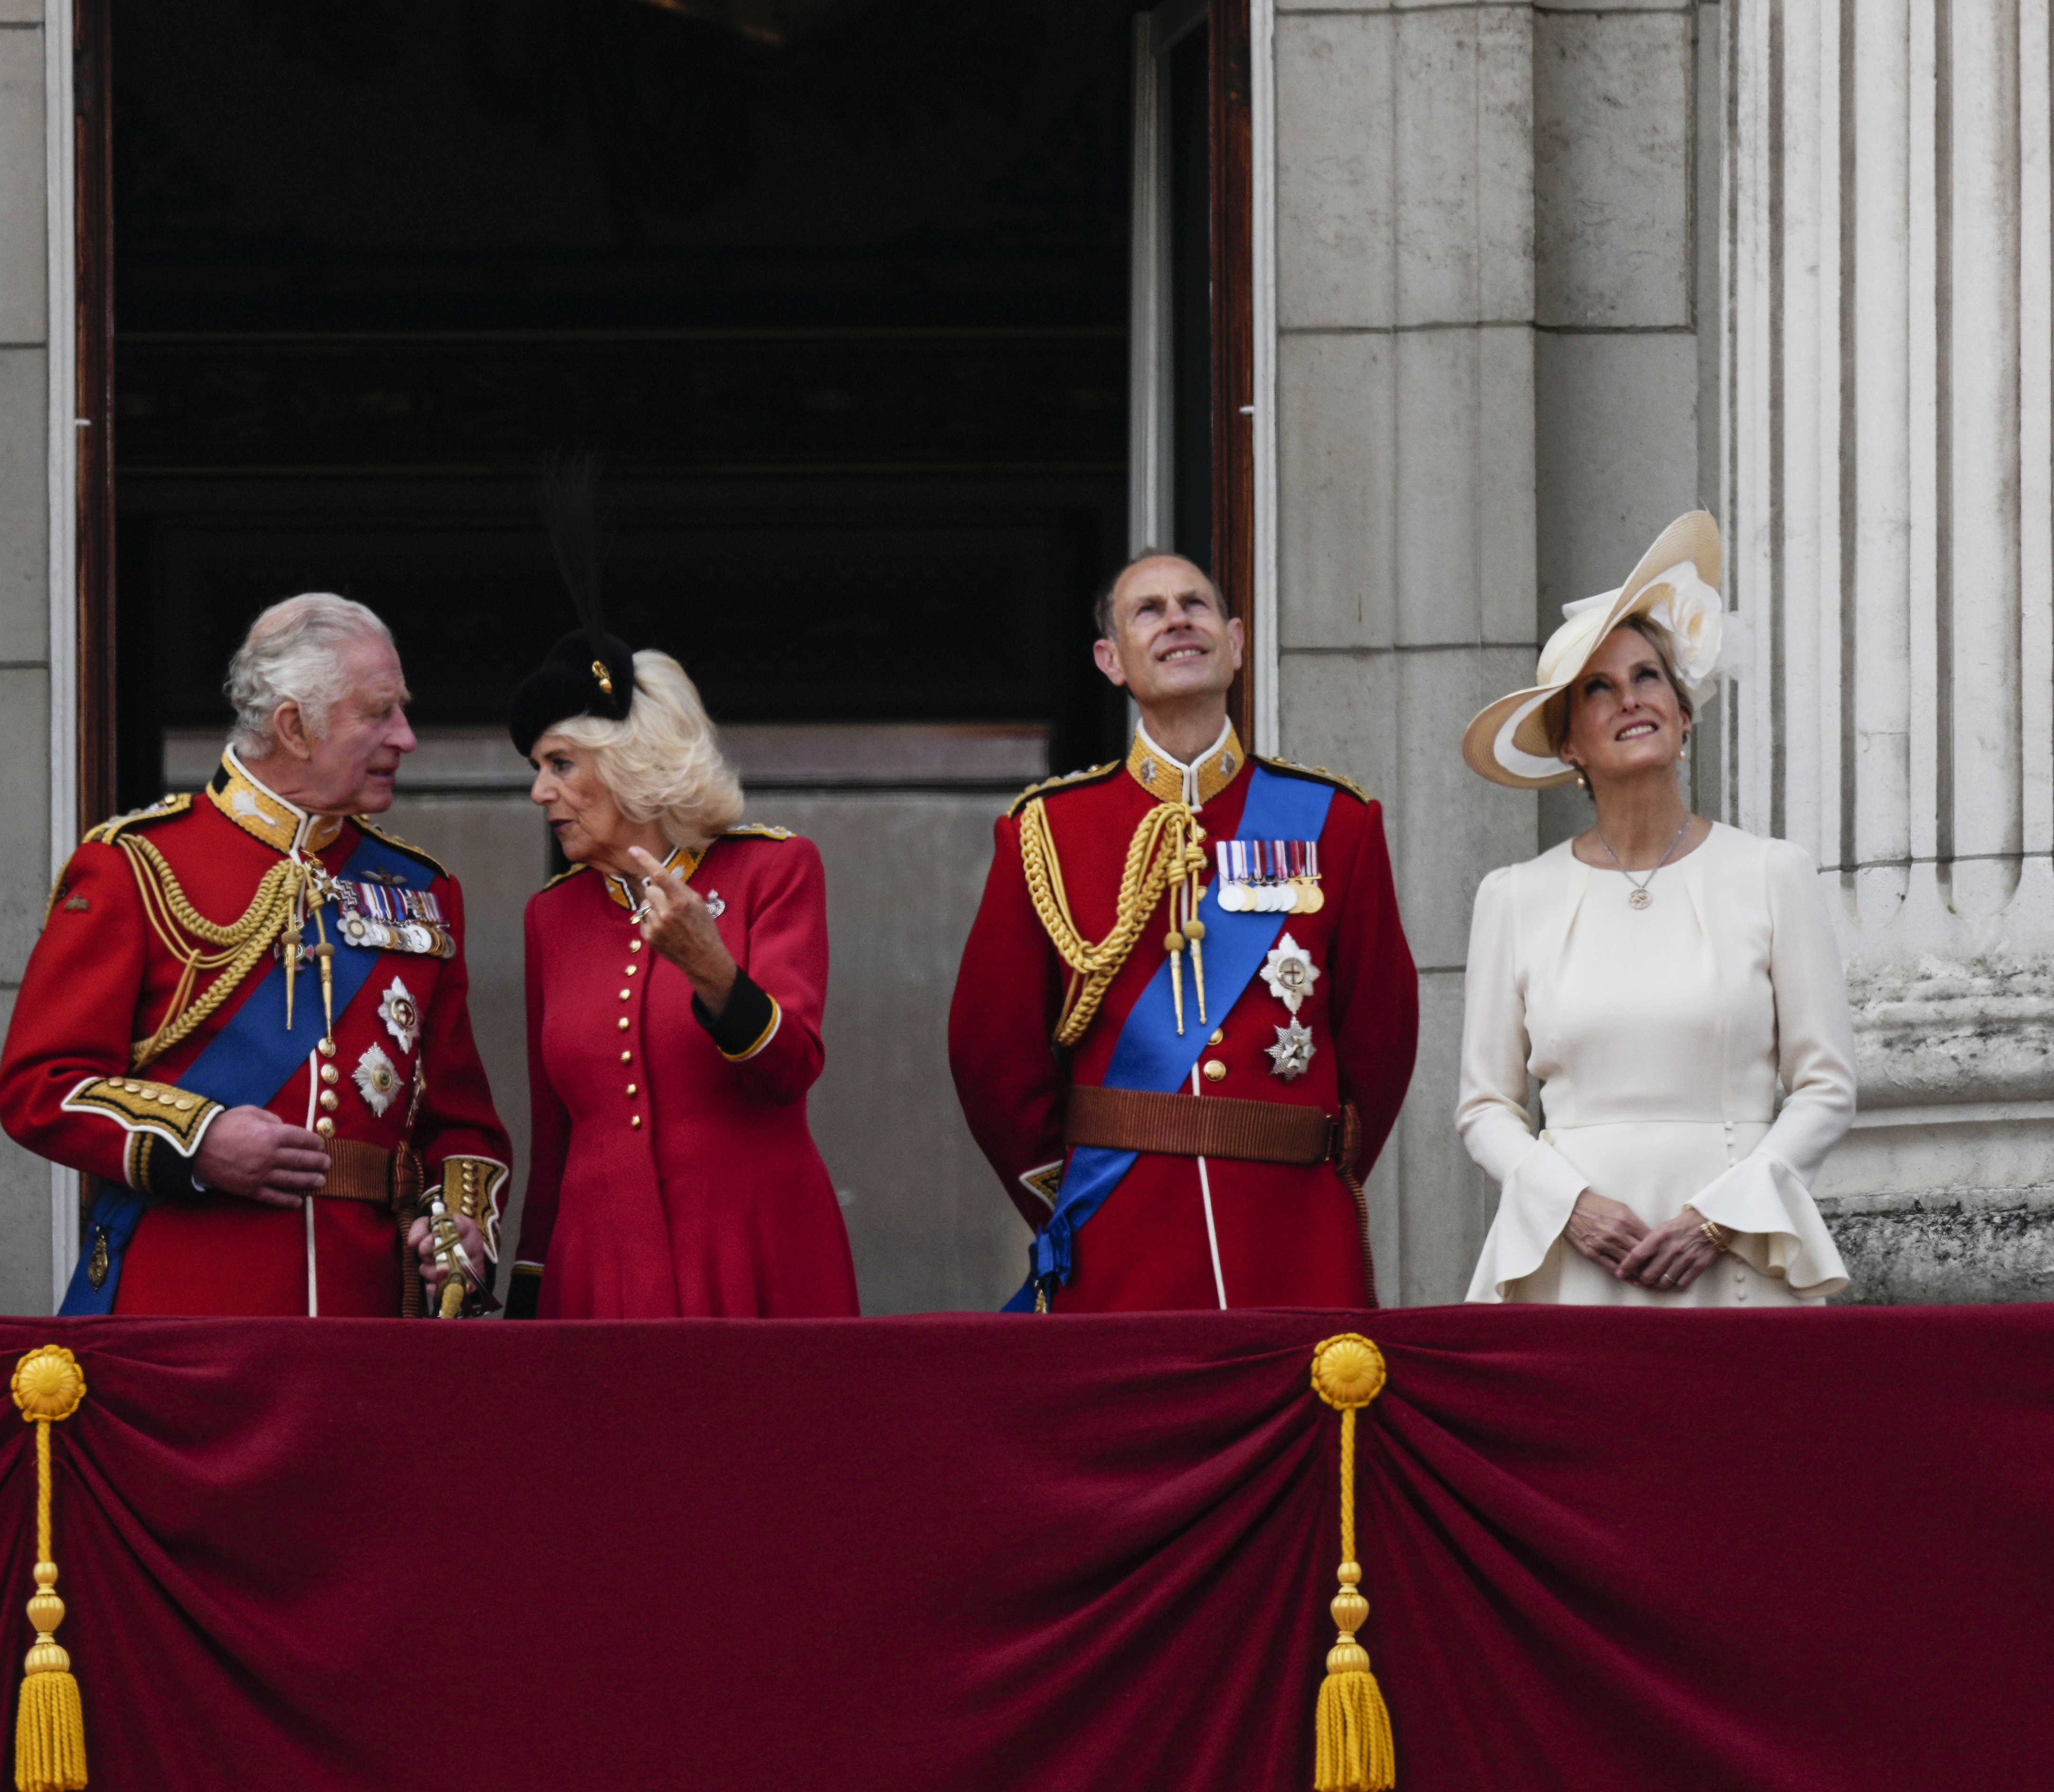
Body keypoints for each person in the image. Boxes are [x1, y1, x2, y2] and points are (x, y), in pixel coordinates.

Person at [0, 592, 511, 1316]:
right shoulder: (137, 865)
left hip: (366, 1316)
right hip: (190, 1308)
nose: (407, 736)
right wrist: (198, 1141)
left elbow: (464, 1127)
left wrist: (459, 1227)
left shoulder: (425, 891)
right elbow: (41, 1086)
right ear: (295, 726)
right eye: (378, 713)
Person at [948, 551, 1420, 1311]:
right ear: (1111, 661)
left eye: (1195, 605)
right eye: (1149, 610)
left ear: (1235, 643)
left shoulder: (1336, 822)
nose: (1177, 621)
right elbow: (993, 1055)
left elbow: (1380, 1037)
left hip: (1292, 1235)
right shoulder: (1050, 830)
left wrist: (1313, 1168)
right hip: (1121, 1231)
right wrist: (1071, 1194)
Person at [1454, 511, 1856, 1304]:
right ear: (1568, 743)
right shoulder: (1513, 896)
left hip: (1734, 1253)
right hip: (1573, 1258)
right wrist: (1569, 1205)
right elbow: (1483, 1107)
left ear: (1682, 713)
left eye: (1646, 677)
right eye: (1596, 689)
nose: (1628, 699)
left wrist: (1722, 1216)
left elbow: (1825, 1086)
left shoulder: (1772, 872)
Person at [501, 633, 855, 1318]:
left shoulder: (772, 871)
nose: (540, 790)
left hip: (752, 1255)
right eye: (538, 767)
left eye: (561, 763)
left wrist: (711, 969)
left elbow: (789, 1069)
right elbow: (554, 1138)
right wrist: (530, 1287)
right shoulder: (551, 915)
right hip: (597, 1274)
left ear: (633, 762)